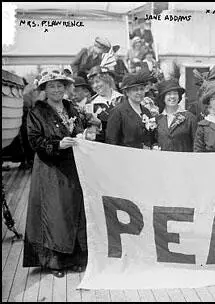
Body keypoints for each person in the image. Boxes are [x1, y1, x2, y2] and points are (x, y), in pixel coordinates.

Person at [23, 70, 90, 278]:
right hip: (50, 168)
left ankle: (77, 258)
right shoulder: (37, 112)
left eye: (60, 85)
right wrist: (57, 144)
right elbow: (34, 141)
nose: (57, 89)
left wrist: (82, 133)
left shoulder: (71, 107)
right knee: (55, 213)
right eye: (51, 86)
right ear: (44, 89)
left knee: (75, 210)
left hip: (73, 167)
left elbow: (81, 126)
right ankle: (55, 262)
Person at [106, 71, 157, 149]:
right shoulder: (118, 112)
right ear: (127, 92)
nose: (139, 92)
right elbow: (111, 142)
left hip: (145, 157)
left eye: (141, 89)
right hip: (126, 157)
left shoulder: (146, 111)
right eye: (135, 90)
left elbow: (150, 137)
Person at [155, 79, 197, 152]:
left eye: (175, 93)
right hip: (163, 161)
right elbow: (154, 141)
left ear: (179, 97)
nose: (172, 96)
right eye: (168, 94)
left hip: (184, 161)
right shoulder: (158, 119)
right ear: (163, 98)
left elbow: (196, 144)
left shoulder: (190, 117)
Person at [87, 66, 124, 142]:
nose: (95, 86)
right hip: (104, 144)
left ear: (107, 80)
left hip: (124, 144)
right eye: (92, 83)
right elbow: (92, 132)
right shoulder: (91, 104)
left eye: (97, 81)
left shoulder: (123, 99)